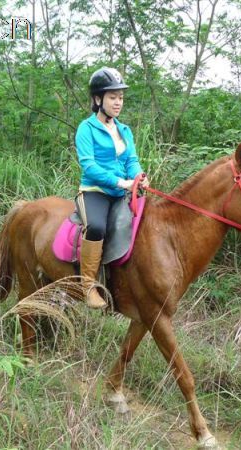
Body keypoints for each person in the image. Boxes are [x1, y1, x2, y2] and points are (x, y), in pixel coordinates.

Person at [74, 67, 149, 309]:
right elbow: (89, 166)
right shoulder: (86, 128)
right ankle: (87, 285)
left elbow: (131, 160)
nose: (118, 103)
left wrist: (138, 176)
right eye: (113, 97)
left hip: (122, 193)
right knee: (96, 227)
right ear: (98, 99)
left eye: (121, 98)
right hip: (95, 192)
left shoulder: (124, 130)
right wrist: (121, 182)